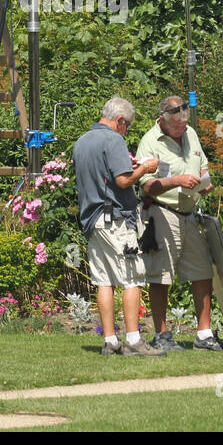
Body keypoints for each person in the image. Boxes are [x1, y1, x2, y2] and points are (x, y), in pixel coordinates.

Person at [72, 96, 166, 357]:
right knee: (132, 277)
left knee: (104, 280)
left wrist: (130, 166)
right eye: (128, 126)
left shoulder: (82, 141)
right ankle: (134, 340)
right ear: (120, 121)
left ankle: (110, 341)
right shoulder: (113, 139)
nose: (126, 131)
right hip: (115, 220)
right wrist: (146, 167)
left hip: (92, 220)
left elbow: (104, 174)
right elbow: (123, 181)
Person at [138, 95, 222, 351]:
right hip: (163, 213)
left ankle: (204, 334)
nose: (182, 130)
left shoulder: (191, 133)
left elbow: (203, 167)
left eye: (184, 126)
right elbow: (146, 186)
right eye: (177, 127)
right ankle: (161, 334)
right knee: (161, 276)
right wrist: (177, 181)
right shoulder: (150, 142)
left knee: (202, 272)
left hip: (191, 212)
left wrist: (204, 182)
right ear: (162, 120)